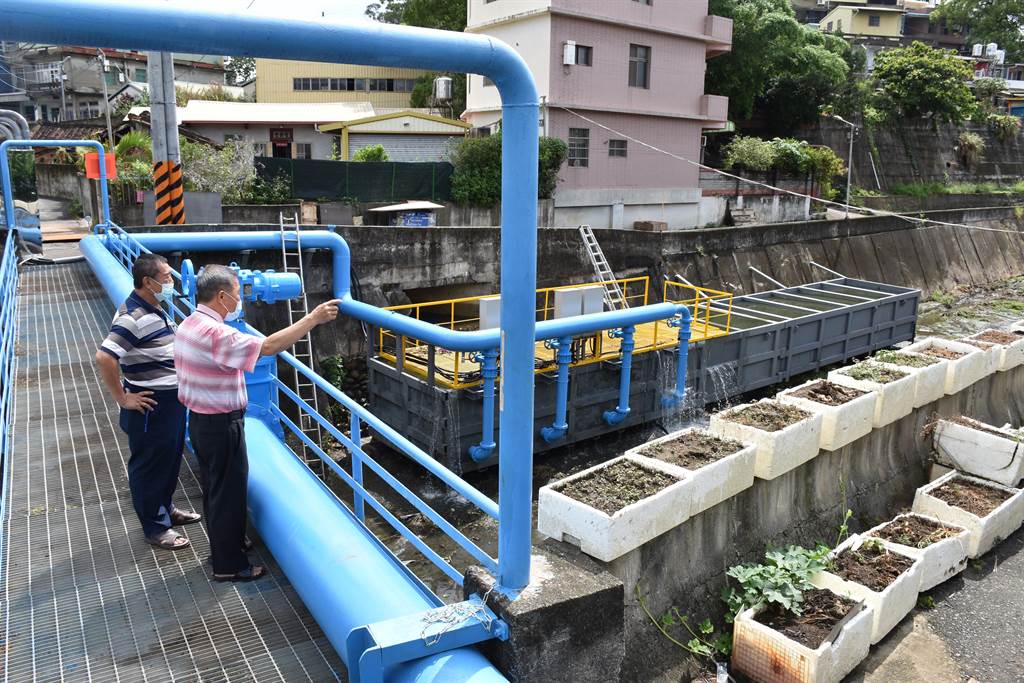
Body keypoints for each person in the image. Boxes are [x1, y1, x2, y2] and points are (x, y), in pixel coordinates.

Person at [175, 264, 340, 582]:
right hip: (221, 424)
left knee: (216, 490)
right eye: (237, 294)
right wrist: (312, 318)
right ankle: (228, 566)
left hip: (201, 422)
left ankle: (229, 544)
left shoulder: (189, 323)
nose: (240, 299)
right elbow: (267, 347)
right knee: (227, 492)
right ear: (222, 296)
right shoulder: (216, 333)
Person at [96, 253, 201, 550]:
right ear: (148, 281)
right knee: (149, 466)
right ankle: (155, 527)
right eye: (167, 277)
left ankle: (165, 509)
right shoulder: (133, 317)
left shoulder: (155, 308)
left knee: (169, 459)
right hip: (150, 405)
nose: (171, 282)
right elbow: (104, 357)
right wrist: (123, 397)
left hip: (172, 400)